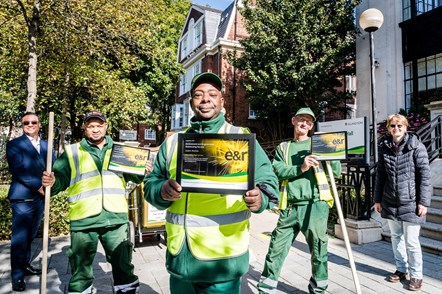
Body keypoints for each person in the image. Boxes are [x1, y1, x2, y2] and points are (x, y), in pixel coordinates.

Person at [143, 72, 279, 293]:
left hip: (222, 264)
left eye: (212, 94)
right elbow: (151, 183)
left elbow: (268, 182)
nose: (205, 99)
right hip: (181, 259)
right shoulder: (172, 143)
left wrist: (260, 198)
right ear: (191, 103)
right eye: (198, 94)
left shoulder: (240, 138)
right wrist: (161, 191)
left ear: (221, 101)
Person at [42, 111, 143, 294]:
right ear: (85, 128)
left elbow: (134, 177)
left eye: (99, 125)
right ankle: (82, 290)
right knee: (81, 266)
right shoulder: (72, 152)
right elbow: (60, 181)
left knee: (122, 262)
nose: (95, 130)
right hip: (84, 219)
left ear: (106, 127)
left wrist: (143, 170)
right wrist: (51, 183)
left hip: (115, 217)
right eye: (91, 126)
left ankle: (126, 289)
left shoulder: (121, 150)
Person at [257, 108, 341, 294]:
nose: (304, 124)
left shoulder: (319, 142)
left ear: (311, 126)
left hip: (315, 205)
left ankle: (318, 289)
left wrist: (330, 147)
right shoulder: (284, 148)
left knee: (319, 251)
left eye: (309, 122)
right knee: (276, 249)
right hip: (290, 206)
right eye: (301, 120)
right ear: (294, 121)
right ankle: (266, 289)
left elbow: (335, 172)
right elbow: (277, 171)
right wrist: (301, 167)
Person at [374, 114, 431, 291]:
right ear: (389, 128)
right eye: (393, 126)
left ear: (406, 127)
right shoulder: (384, 147)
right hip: (390, 201)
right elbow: (381, 176)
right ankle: (401, 269)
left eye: (400, 126)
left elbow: (425, 175)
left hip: (412, 202)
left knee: (412, 242)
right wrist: (377, 199)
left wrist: (423, 202)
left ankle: (416, 275)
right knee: (396, 237)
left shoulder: (416, 146)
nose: (396, 129)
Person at [6, 112, 54, 292]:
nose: (30, 124)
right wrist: (39, 186)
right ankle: (17, 276)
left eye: (34, 122)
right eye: (26, 122)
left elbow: (53, 166)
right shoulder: (14, 145)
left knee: (31, 235)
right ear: (22, 125)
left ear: (39, 124)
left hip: (40, 199)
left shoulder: (46, 145)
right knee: (20, 238)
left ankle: (24, 265)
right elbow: (18, 170)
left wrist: (53, 179)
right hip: (23, 198)